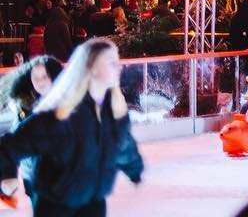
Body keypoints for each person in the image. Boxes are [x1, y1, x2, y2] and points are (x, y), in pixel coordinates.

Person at [0, 39, 143, 216]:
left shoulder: (113, 111)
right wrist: (8, 176)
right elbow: (9, 146)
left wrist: (134, 169)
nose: (118, 67)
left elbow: (123, 144)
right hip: (56, 205)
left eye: (117, 60)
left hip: (93, 201)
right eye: (110, 61)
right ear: (92, 67)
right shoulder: (60, 116)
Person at [0, 55, 61, 125]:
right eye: (35, 77)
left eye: (45, 76)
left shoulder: (66, 104)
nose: (40, 82)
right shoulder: (24, 108)